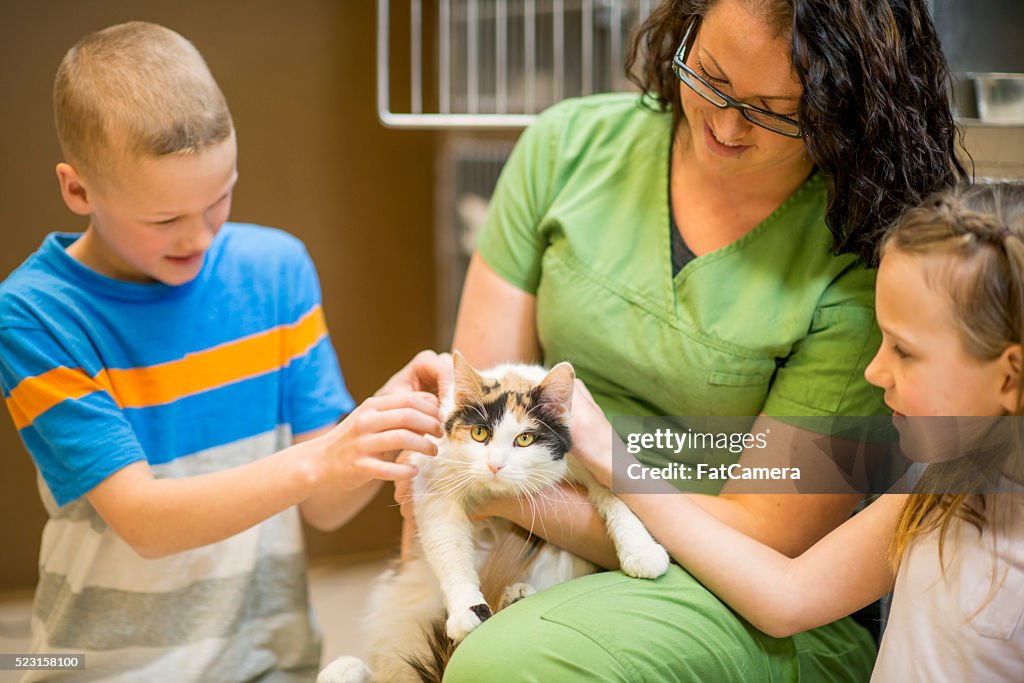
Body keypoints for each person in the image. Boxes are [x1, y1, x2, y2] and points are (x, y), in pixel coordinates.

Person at [437, 0, 966, 680]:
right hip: (537, 526)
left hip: (734, 587)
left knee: (505, 664)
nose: (723, 122)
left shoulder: (862, 256)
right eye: (709, 77)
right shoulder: (567, 147)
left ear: (843, 111)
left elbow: (765, 544)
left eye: (773, 110)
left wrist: (496, 487)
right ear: (682, 28)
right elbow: (474, 405)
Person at [0, 22, 444, 682]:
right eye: (165, 219)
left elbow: (326, 501)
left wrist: (378, 424)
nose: (200, 236)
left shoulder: (276, 269)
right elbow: (144, 521)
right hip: (104, 668)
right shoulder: (34, 312)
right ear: (78, 190)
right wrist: (324, 458)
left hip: (270, 660)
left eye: (220, 199)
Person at [569, 182, 1024, 681]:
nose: (874, 371)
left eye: (904, 351)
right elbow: (786, 595)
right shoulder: (936, 485)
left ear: (1009, 376)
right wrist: (617, 465)